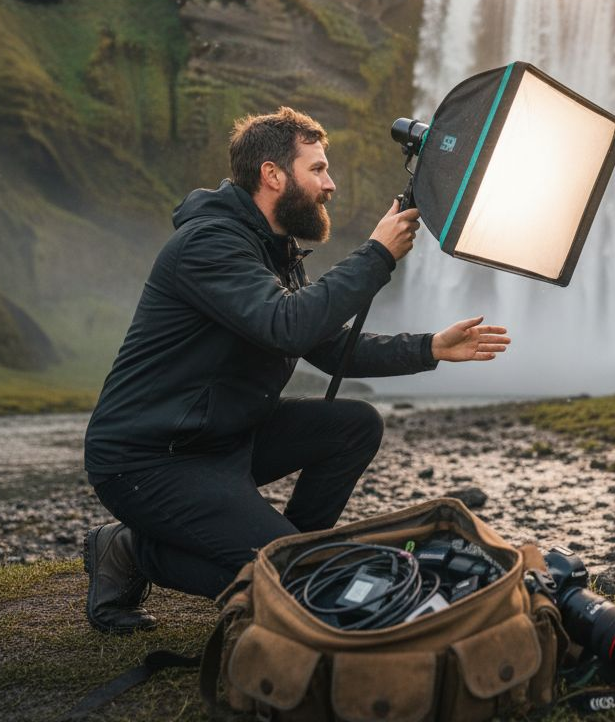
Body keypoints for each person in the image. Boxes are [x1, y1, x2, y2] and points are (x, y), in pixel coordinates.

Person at [81, 107, 511, 634]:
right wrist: (376, 254)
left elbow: (327, 347)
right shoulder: (208, 245)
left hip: (222, 438)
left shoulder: (275, 251)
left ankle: (293, 555)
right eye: (319, 170)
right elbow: (286, 326)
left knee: (355, 425)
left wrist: (431, 348)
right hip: (149, 458)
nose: (330, 185)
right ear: (272, 175)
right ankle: (130, 550)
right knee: (296, 579)